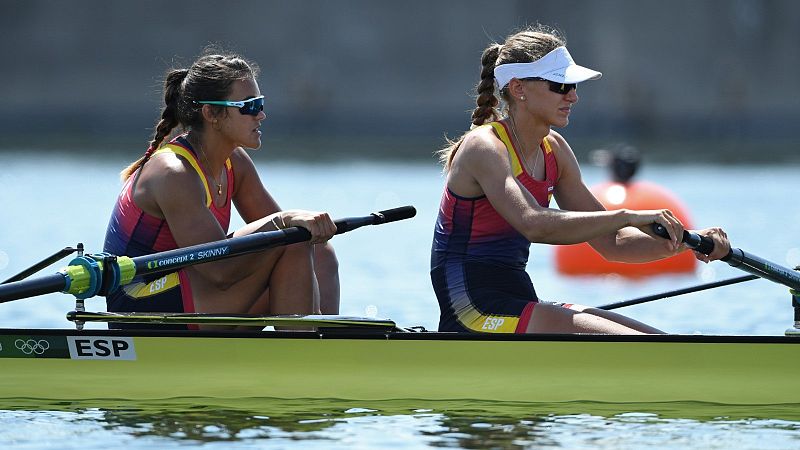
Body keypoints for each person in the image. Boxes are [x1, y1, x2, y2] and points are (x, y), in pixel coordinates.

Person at [430, 25, 731, 334]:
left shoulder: (555, 150)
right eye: (561, 86)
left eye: (573, 86)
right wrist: (627, 215)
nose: (573, 96)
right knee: (637, 346)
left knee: (656, 341)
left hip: (518, 300)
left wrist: (691, 242)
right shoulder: (485, 146)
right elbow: (534, 223)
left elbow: (613, 244)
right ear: (519, 88)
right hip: (469, 310)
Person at [103, 49, 340, 329]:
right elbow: (218, 270)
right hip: (140, 304)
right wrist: (284, 220)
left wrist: (300, 228)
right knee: (291, 239)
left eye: (260, 103)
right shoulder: (173, 173)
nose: (261, 115)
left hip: (193, 289)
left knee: (318, 249)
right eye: (249, 106)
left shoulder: (235, 163)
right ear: (211, 113)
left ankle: (322, 343)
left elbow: (291, 241)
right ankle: (304, 356)